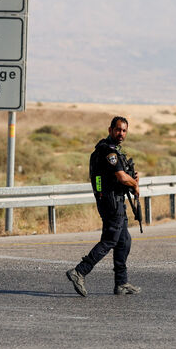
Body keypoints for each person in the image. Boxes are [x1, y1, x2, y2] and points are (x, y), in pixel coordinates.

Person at [66, 116, 141, 297]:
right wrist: (135, 184)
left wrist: (131, 179)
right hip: (111, 203)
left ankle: (121, 283)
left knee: (124, 241)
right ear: (110, 130)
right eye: (118, 130)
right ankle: (80, 271)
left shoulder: (112, 150)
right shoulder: (109, 152)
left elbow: (121, 176)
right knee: (110, 240)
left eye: (124, 130)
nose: (121, 133)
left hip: (115, 201)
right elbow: (122, 177)